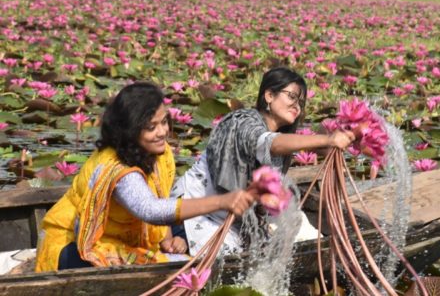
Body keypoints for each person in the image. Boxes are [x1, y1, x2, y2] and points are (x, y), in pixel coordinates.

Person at [35, 82, 256, 272]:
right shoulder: (115, 168)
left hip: (123, 239)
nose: (162, 132)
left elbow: (161, 194)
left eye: (163, 122)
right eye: (151, 127)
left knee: (184, 255)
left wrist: (167, 238)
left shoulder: (158, 152)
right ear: (130, 130)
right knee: (181, 269)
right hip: (75, 244)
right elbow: (149, 209)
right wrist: (222, 201)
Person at [171, 66, 356, 254]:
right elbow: (268, 143)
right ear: (269, 95)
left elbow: (288, 145)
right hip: (191, 216)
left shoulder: (282, 139)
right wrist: (328, 139)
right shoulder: (243, 120)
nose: (297, 106)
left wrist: (352, 137)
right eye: (292, 97)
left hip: (231, 220)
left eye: (300, 102)